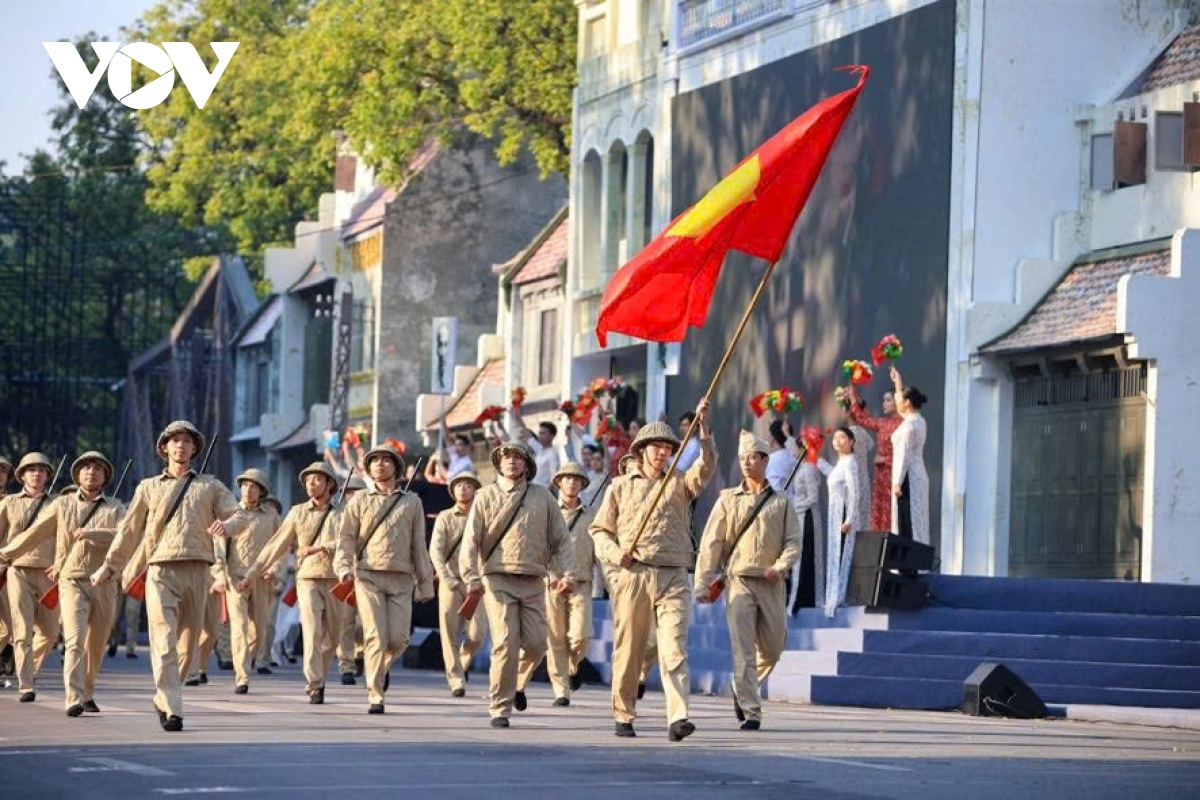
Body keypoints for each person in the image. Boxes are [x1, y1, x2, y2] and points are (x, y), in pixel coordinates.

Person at [91, 420, 251, 733]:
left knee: (187, 648)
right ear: (164, 448)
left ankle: (163, 696)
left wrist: (228, 527)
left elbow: (240, 513)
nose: (180, 446)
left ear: (195, 448)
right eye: (174, 440)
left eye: (187, 441)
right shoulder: (148, 487)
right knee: (163, 641)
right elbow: (129, 531)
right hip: (161, 569)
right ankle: (173, 707)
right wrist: (110, 566)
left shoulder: (210, 485)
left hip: (198, 570)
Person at [590, 401, 717, 741]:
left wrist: (704, 430)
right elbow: (600, 531)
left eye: (667, 448)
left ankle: (678, 717)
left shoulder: (680, 482)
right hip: (635, 575)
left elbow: (706, 468)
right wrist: (618, 556)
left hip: (674, 573)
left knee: (674, 647)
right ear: (642, 450)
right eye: (656, 447)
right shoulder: (620, 486)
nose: (662, 453)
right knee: (630, 648)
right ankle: (624, 712)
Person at [459, 441, 574, 728]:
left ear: (527, 464)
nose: (511, 462)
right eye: (506, 457)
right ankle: (500, 706)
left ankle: (519, 683)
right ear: (498, 463)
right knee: (506, 644)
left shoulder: (543, 497)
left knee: (536, 645)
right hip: (498, 578)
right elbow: (470, 541)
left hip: (534, 579)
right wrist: (472, 577)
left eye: (517, 457)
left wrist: (567, 573)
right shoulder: (485, 496)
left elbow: (562, 540)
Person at [1, 452, 123, 715]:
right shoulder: (62, 504)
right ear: (77, 474)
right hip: (68, 580)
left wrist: (92, 533)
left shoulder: (116, 507)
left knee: (95, 643)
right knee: (73, 640)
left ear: (105, 477)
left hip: (103, 581)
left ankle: (88, 691)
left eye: (98, 469)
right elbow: (34, 534)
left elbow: (126, 535)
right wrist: (5, 554)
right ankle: (71, 697)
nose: (91, 472)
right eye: (86, 468)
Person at [695, 431, 802, 730]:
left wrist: (781, 566)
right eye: (742, 458)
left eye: (752, 458)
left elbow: (793, 541)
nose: (746, 463)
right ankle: (751, 709)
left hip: (771, 582)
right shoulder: (728, 499)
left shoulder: (780, 502)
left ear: (765, 461)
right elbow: (711, 542)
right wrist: (702, 582)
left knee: (773, 648)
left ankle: (741, 687)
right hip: (738, 580)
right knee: (742, 648)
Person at [334, 442, 434, 715]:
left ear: (396, 467)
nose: (380, 464)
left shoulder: (412, 502)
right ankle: (375, 695)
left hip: (402, 578)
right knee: (376, 636)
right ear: (369, 467)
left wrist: (425, 583)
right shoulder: (359, 501)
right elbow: (346, 538)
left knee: (399, 640)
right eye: (375, 460)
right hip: (368, 576)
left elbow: (418, 545)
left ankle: (382, 667)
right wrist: (343, 567)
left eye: (386, 460)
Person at [242, 462, 347, 704]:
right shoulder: (297, 512)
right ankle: (314, 683)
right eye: (308, 480)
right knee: (311, 631)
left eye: (317, 479)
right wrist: (253, 573)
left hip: (336, 579)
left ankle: (319, 674)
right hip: (307, 578)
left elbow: (352, 542)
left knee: (332, 636)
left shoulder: (344, 512)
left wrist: (323, 547)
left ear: (329, 484)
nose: (311, 484)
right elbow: (275, 545)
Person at [516, 462, 596, 707]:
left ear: (583, 484)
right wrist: (549, 576)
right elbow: (538, 547)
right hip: (552, 583)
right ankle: (561, 691)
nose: (572, 483)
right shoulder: (547, 512)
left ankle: (574, 667)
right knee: (555, 639)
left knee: (580, 636)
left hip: (581, 582)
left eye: (577, 479)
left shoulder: (592, 515)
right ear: (558, 482)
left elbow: (600, 550)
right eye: (567, 479)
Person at [212, 469, 280, 694]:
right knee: (238, 626)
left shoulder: (271, 515)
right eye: (244, 485)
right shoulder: (230, 513)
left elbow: (279, 547)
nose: (248, 490)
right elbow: (219, 550)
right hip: (235, 578)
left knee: (259, 631)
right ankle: (242, 676)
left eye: (253, 486)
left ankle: (246, 660)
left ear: (261, 491)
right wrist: (220, 575)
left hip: (260, 579)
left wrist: (274, 569)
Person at [0, 452, 61, 701]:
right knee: (20, 630)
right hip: (18, 571)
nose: (36, 474)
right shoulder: (9, 503)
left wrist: (60, 562)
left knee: (49, 633)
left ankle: (28, 669)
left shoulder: (59, 503)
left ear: (48, 474)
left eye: (41, 470)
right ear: (22, 475)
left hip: (50, 573)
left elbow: (65, 538)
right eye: (31, 469)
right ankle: (26, 685)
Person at [429, 471, 488, 697]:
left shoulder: (484, 516)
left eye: (468, 485)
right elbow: (435, 551)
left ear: (475, 489)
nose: (463, 489)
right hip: (451, 582)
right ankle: (456, 680)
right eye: (458, 485)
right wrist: (447, 578)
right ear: (452, 491)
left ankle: (464, 660)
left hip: (477, 584)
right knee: (449, 632)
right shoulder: (445, 517)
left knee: (477, 635)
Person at [823, 427, 864, 618]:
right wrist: (816, 460)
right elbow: (832, 476)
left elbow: (855, 492)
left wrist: (849, 519)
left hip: (844, 513)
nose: (838, 441)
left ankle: (839, 596)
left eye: (842, 438)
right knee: (834, 555)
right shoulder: (841, 463)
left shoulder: (850, 463)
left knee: (841, 555)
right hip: (835, 513)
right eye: (835, 438)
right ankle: (833, 595)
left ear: (852, 442)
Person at [850, 386, 902, 531]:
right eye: (883, 400)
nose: (884, 403)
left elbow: (907, 452)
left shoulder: (904, 424)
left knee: (893, 511)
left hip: (895, 475)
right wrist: (854, 396)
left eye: (888, 400)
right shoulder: (883, 422)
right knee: (879, 512)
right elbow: (863, 419)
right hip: (881, 476)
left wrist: (886, 460)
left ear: (898, 402)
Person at [890, 368, 931, 546]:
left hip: (908, 476)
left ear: (907, 403)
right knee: (917, 520)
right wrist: (898, 384)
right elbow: (902, 411)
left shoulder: (909, 426)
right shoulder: (918, 420)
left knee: (908, 521)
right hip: (918, 472)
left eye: (900, 400)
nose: (897, 403)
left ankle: (907, 565)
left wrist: (897, 481)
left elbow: (903, 454)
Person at [787, 442, 825, 614]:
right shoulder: (800, 468)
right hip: (799, 518)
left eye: (795, 447)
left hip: (808, 518)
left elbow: (813, 498)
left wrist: (794, 505)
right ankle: (798, 598)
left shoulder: (809, 469)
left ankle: (803, 598)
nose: (793, 451)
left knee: (805, 556)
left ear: (803, 449)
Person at [520, 420, 562, 488]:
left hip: (543, 492)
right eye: (539, 433)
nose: (540, 436)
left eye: (543, 433)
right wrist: (517, 415)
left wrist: (544, 494)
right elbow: (527, 434)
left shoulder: (552, 455)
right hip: (534, 489)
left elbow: (554, 479)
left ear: (552, 435)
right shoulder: (539, 449)